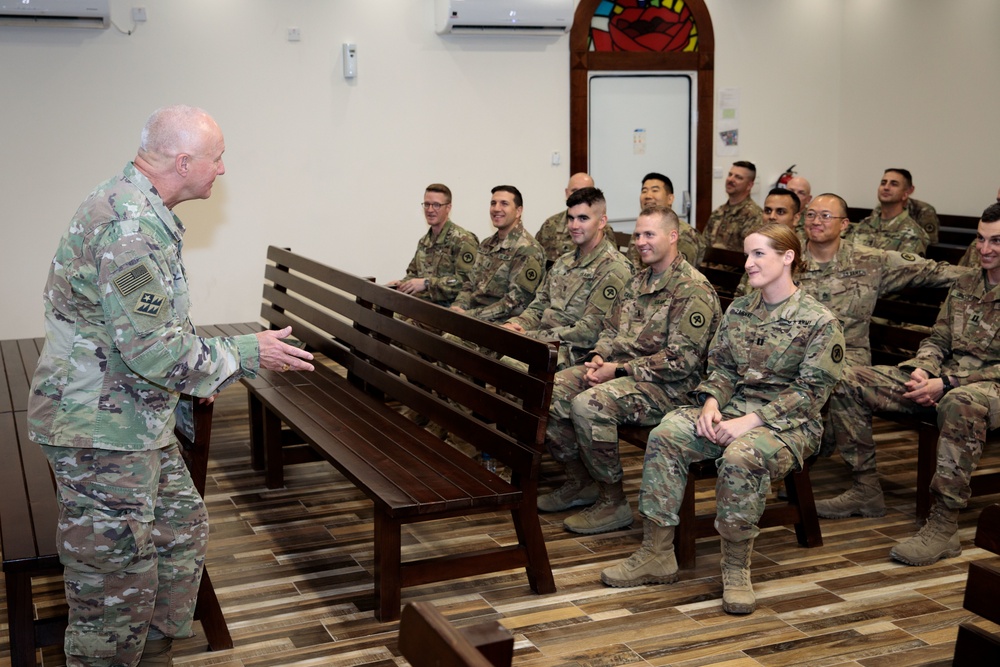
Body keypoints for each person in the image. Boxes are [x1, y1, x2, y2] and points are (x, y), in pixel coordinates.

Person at [27, 105, 315, 667]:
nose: (223, 170)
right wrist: (246, 353)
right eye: (217, 157)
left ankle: (153, 650)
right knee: (114, 585)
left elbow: (155, 333)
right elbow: (156, 349)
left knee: (180, 532)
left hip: (133, 417)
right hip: (100, 432)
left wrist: (192, 383)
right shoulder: (129, 227)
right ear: (184, 162)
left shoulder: (142, 210)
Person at [600, 222, 844, 616]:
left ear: (788, 257)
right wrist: (711, 403)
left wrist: (751, 422)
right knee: (668, 433)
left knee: (740, 456)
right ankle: (657, 553)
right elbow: (723, 369)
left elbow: (811, 394)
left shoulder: (819, 321)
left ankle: (735, 567)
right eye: (747, 254)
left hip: (789, 425)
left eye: (758, 254)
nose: (748, 264)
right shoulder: (741, 309)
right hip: (732, 410)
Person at [818, 203, 1000, 568]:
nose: (984, 249)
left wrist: (947, 382)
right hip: (942, 378)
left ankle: (945, 524)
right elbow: (939, 337)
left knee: (960, 403)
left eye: (996, 241)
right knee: (848, 380)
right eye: (980, 239)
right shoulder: (967, 282)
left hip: (985, 388)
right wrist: (923, 368)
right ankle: (865, 489)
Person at [537, 205, 721, 535]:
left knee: (589, 405)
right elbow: (611, 328)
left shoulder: (693, 290)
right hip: (624, 372)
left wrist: (618, 370)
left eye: (649, 234)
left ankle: (613, 502)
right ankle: (581, 482)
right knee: (550, 387)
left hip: (672, 387)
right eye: (637, 235)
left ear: (673, 237)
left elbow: (681, 361)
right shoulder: (638, 280)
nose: (639, 241)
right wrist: (597, 356)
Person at [738, 193, 969, 368]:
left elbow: (930, 270)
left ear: (844, 225)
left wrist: (980, 274)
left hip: (847, 355)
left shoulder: (869, 260)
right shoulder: (787, 257)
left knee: (841, 383)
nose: (816, 221)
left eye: (825, 216)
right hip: (792, 351)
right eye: (811, 215)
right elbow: (752, 303)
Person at [504, 187, 632, 370]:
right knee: (490, 348)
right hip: (545, 342)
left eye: (583, 218)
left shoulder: (614, 268)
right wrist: (516, 324)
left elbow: (590, 330)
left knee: (512, 366)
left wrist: (531, 336)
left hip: (578, 352)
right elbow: (539, 305)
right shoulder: (563, 262)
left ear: (602, 221)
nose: (574, 225)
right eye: (571, 218)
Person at [451, 185, 546, 323]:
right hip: (473, 318)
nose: (496, 208)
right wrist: (458, 306)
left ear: (518, 211)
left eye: (504, 204)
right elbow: (469, 284)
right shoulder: (486, 244)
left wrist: (471, 315)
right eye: (493, 203)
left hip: (502, 325)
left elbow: (516, 304)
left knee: (447, 340)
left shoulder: (527, 249)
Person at [387, 183, 478, 308]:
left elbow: (466, 283)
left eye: (436, 205)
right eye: (427, 204)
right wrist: (401, 284)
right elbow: (414, 273)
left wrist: (427, 283)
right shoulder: (424, 241)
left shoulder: (463, 240)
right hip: (420, 303)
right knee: (378, 313)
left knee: (396, 324)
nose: (430, 210)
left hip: (445, 310)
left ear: (448, 207)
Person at [624, 172, 703, 267]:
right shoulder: (641, 230)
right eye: (644, 191)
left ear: (670, 199)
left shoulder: (684, 233)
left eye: (655, 190)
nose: (648, 196)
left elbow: (678, 275)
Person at [846, 169, 929, 255]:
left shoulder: (912, 233)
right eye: (883, 183)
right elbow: (845, 255)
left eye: (894, 184)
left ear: (905, 194)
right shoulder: (865, 224)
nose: (886, 187)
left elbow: (906, 267)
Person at [702, 160, 763, 254]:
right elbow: (703, 245)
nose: (730, 179)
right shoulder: (718, 212)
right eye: (730, 174)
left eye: (738, 177)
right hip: (709, 267)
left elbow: (751, 253)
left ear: (749, 185)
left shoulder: (754, 215)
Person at [536, 172, 595, 263]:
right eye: (574, 191)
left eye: (584, 191)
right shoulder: (550, 225)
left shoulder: (601, 229)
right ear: (567, 193)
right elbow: (537, 260)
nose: (579, 196)